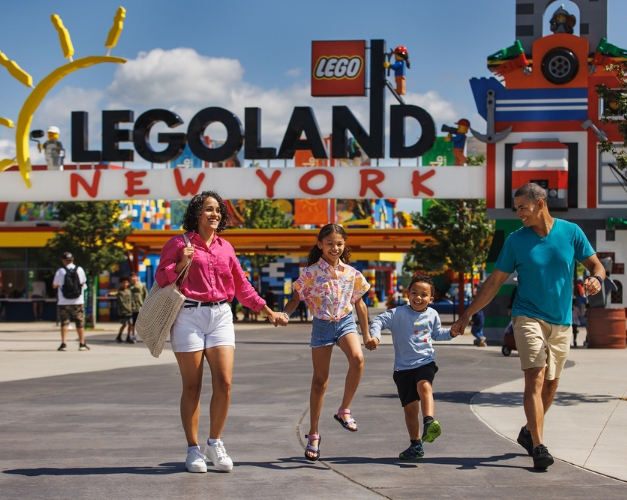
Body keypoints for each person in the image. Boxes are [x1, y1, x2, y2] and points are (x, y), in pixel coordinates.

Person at [452, 183, 605, 470]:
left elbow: (596, 265)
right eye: (517, 208)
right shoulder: (515, 240)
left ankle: (526, 432)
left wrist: (597, 278)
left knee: (551, 384)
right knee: (535, 376)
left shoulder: (571, 233)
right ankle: (539, 446)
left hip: (561, 320)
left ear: (540, 204)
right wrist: (467, 315)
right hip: (527, 316)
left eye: (523, 207)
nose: (519, 213)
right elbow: (494, 283)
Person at [156, 191, 279, 474]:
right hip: (188, 315)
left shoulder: (226, 247)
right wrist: (182, 263)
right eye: (209, 209)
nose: (215, 214)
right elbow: (162, 278)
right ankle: (193, 449)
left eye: (218, 210)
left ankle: (215, 442)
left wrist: (266, 310)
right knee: (193, 386)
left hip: (222, 314)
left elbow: (240, 284)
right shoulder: (179, 243)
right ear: (197, 213)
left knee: (224, 382)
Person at [278, 224, 372, 462]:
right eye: (330, 243)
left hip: (345, 322)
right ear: (320, 245)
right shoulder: (309, 273)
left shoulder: (352, 273)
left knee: (358, 358)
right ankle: (314, 434)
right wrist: (285, 314)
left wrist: (367, 334)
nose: (335, 248)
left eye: (339, 244)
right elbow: (295, 299)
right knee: (320, 381)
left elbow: (360, 304)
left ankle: (344, 410)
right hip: (321, 325)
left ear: (344, 245)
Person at [369, 274, 460, 460]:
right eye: (414, 293)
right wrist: (375, 336)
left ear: (431, 299)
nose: (418, 297)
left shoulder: (432, 314)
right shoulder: (397, 313)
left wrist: (451, 332)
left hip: (425, 361)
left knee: (424, 385)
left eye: (424, 294)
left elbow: (437, 334)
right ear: (407, 294)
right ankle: (416, 445)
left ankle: (429, 422)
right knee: (410, 409)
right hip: (402, 369)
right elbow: (378, 321)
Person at [52, 252, 89, 351]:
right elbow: (83, 283)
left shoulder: (60, 271)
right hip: (78, 301)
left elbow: (54, 285)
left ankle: (63, 344)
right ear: (72, 259)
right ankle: (82, 343)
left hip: (63, 302)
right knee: (80, 322)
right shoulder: (79, 269)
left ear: (63, 260)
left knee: (64, 322)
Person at [115, 276, 134, 344]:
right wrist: (127, 309)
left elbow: (131, 300)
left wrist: (133, 307)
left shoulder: (129, 291)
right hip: (123, 311)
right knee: (125, 324)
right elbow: (121, 302)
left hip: (130, 311)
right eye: (123, 283)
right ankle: (119, 335)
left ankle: (129, 336)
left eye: (126, 282)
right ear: (121, 284)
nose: (125, 284)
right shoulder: (120, 292)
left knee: (131, 323)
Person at [130, 272, 147, 341]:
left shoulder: (141, 285)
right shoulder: (128, 286)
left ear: (137, 278)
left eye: (134, 277)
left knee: (141, 322)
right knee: (133, 322)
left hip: (140, 307)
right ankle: (133, 335)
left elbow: (146, 295)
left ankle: (144, 335)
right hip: (131, 307)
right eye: (132, 277)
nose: (133, 278)